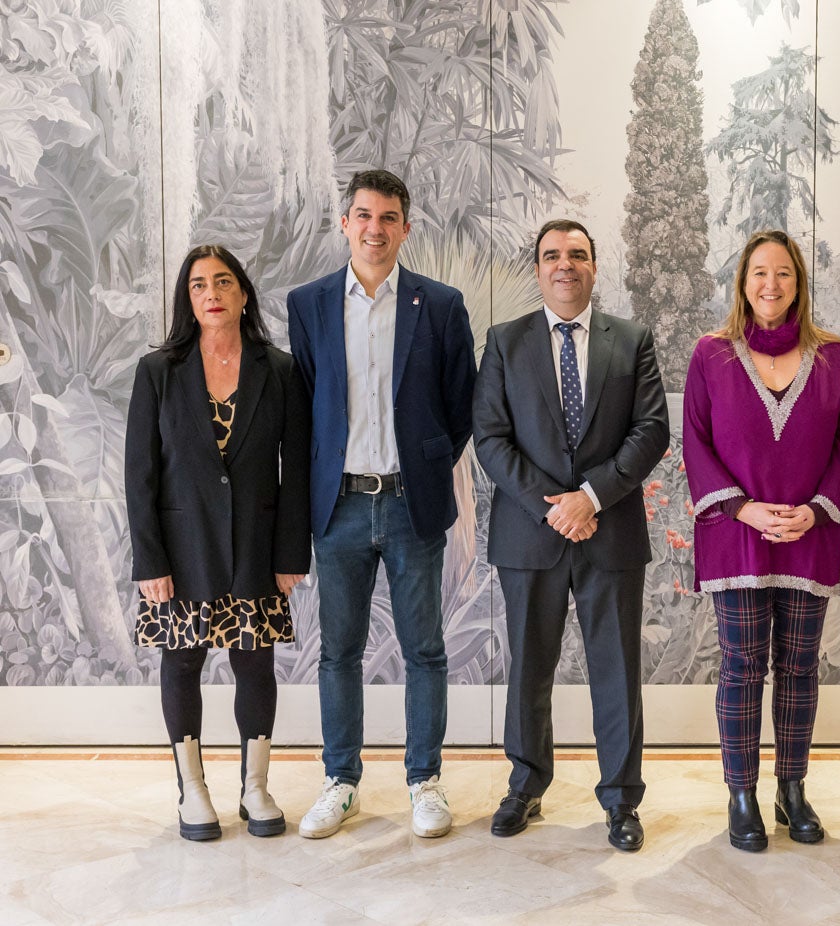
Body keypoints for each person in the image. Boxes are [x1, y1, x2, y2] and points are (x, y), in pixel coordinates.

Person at [287, 169, 476, 839]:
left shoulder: (441, 304)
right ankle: (341, 782)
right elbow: (303, 407)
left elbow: (461, 410)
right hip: (336, 507)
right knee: (338, 652)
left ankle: (425, 782)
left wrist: (423, 470)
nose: (374, 228)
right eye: (363, 215)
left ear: (405, 226)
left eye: (388, 216)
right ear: (345, 223)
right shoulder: (307, 304)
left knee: (424, 650)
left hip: (409, 505)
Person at [473, 218, 669, 852]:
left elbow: (651, 430)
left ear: (593, 266)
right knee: (530, 667)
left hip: (608, 532)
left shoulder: (632, 340)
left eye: (578, 255)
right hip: (530, 535)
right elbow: (491, 437)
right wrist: (552, 506)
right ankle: (525, 786)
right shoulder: (504, 342)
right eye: (552, 255)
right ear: (537, 270)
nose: (565, 265)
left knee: (616, 670)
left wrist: (590, 498)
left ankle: (620, 799)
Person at [682, 230, 840, 852]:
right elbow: (696, 443)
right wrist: (745, 509)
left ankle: (792, 790)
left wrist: (815, 513)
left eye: (783, 273)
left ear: (799, 284)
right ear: (742, 282)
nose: (770, 284)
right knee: (741, 666)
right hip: (739, 538)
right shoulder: (711, 354)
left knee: (799, 668)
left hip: (807, 538)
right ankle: (741, 794)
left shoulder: (834, 355)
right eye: (759, 273)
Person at [126, 244, 311, 841]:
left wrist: (289, 553)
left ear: (242, 293)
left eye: (223, 282)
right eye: (199, 284)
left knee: (255, 665)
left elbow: (297, 469)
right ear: (189, 297)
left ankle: (255, 787)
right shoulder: (158, 371)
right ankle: (193, 790)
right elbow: (139, 474)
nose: (211, 293)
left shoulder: (278, 370)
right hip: (181, 553)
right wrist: (149, 559)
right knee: (181, 664)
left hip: (256, 546)